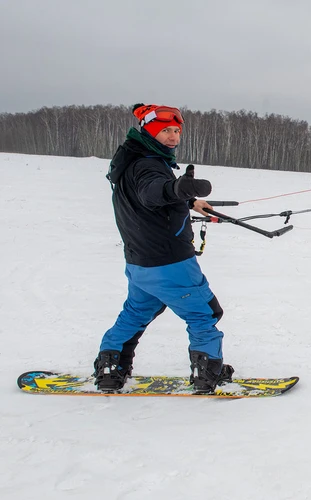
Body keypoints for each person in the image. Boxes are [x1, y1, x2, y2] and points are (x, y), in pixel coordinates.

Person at [95, 103, 233, 393]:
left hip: (139, 262)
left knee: (136, 312)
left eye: (175, 131)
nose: (172, 137)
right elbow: (152, 192)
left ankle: (111, 368)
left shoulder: (132, 160)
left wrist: (188, 200)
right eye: (164, 131)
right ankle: (208, 372)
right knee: (204, 313)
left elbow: (146, 199)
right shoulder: (149, 165)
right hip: (170, 262)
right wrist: (178, 188)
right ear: (149, 131)